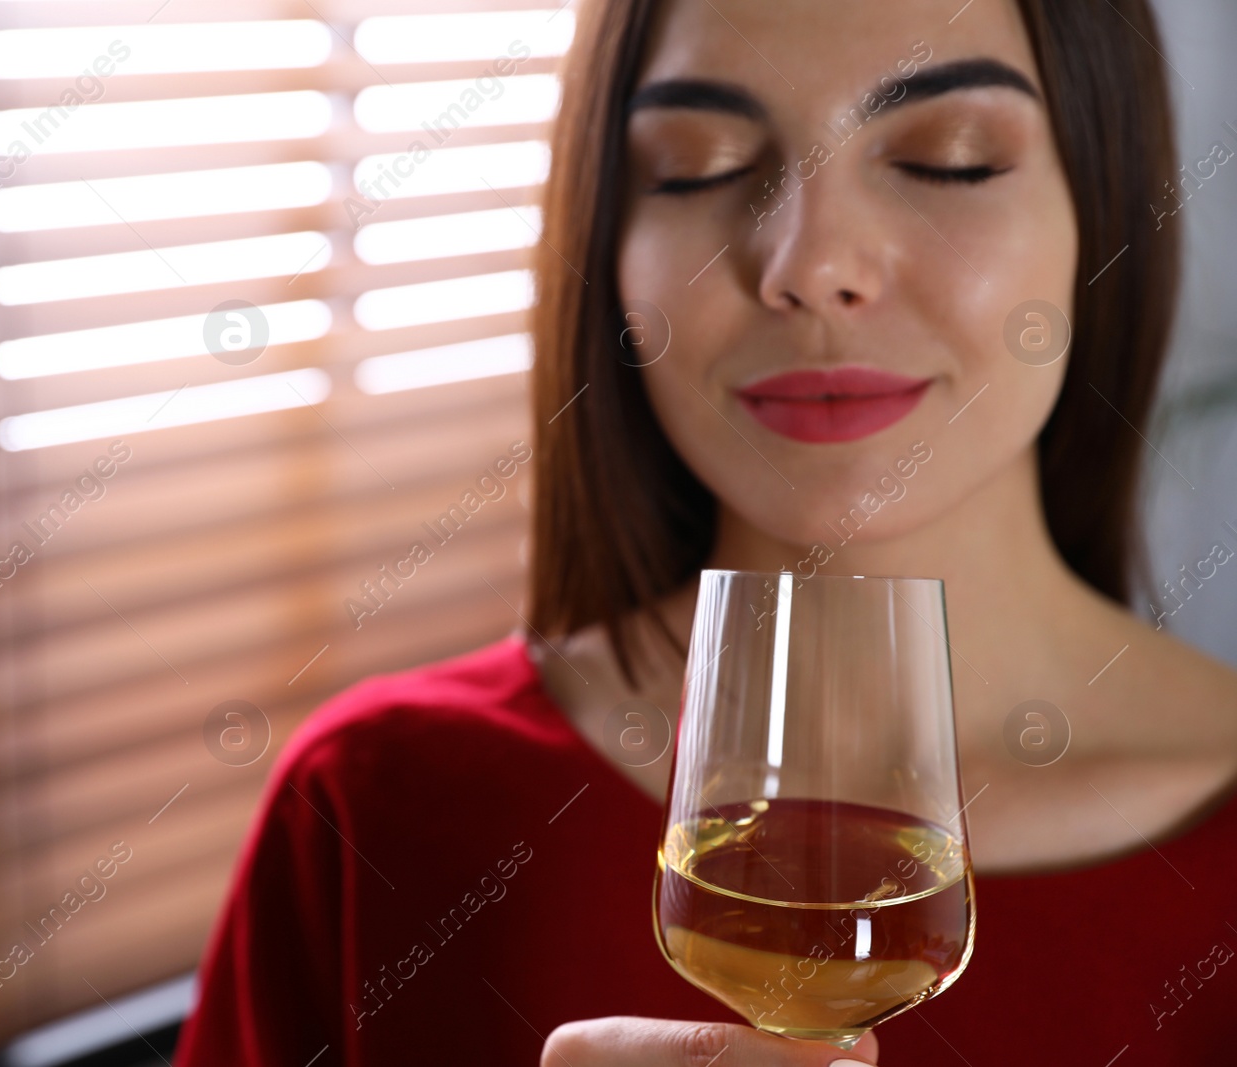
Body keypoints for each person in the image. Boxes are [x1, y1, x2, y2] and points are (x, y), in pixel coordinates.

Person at [174, 0, 1237, 1064]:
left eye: (945, 160)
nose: (808, 263)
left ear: (1102, 213)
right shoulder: (376, 801)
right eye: (698, 166)